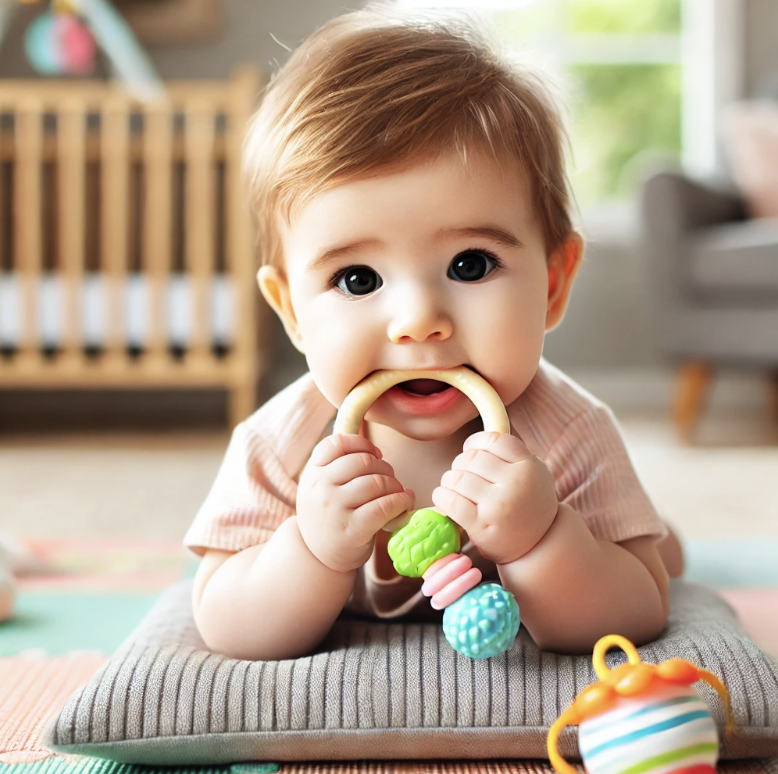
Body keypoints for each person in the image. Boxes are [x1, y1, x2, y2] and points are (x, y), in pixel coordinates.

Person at [185, 6, 684, 661]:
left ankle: (660, 532)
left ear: (554, 285)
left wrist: (544, 539)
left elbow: (638, 610)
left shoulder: (569, 433)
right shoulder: (280, 446)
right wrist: (310, 549)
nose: (418, 320)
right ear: (291, 310)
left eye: (470, 265)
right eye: (358, 279)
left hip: (570, 526)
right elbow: (224, 624)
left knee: (663, 557)